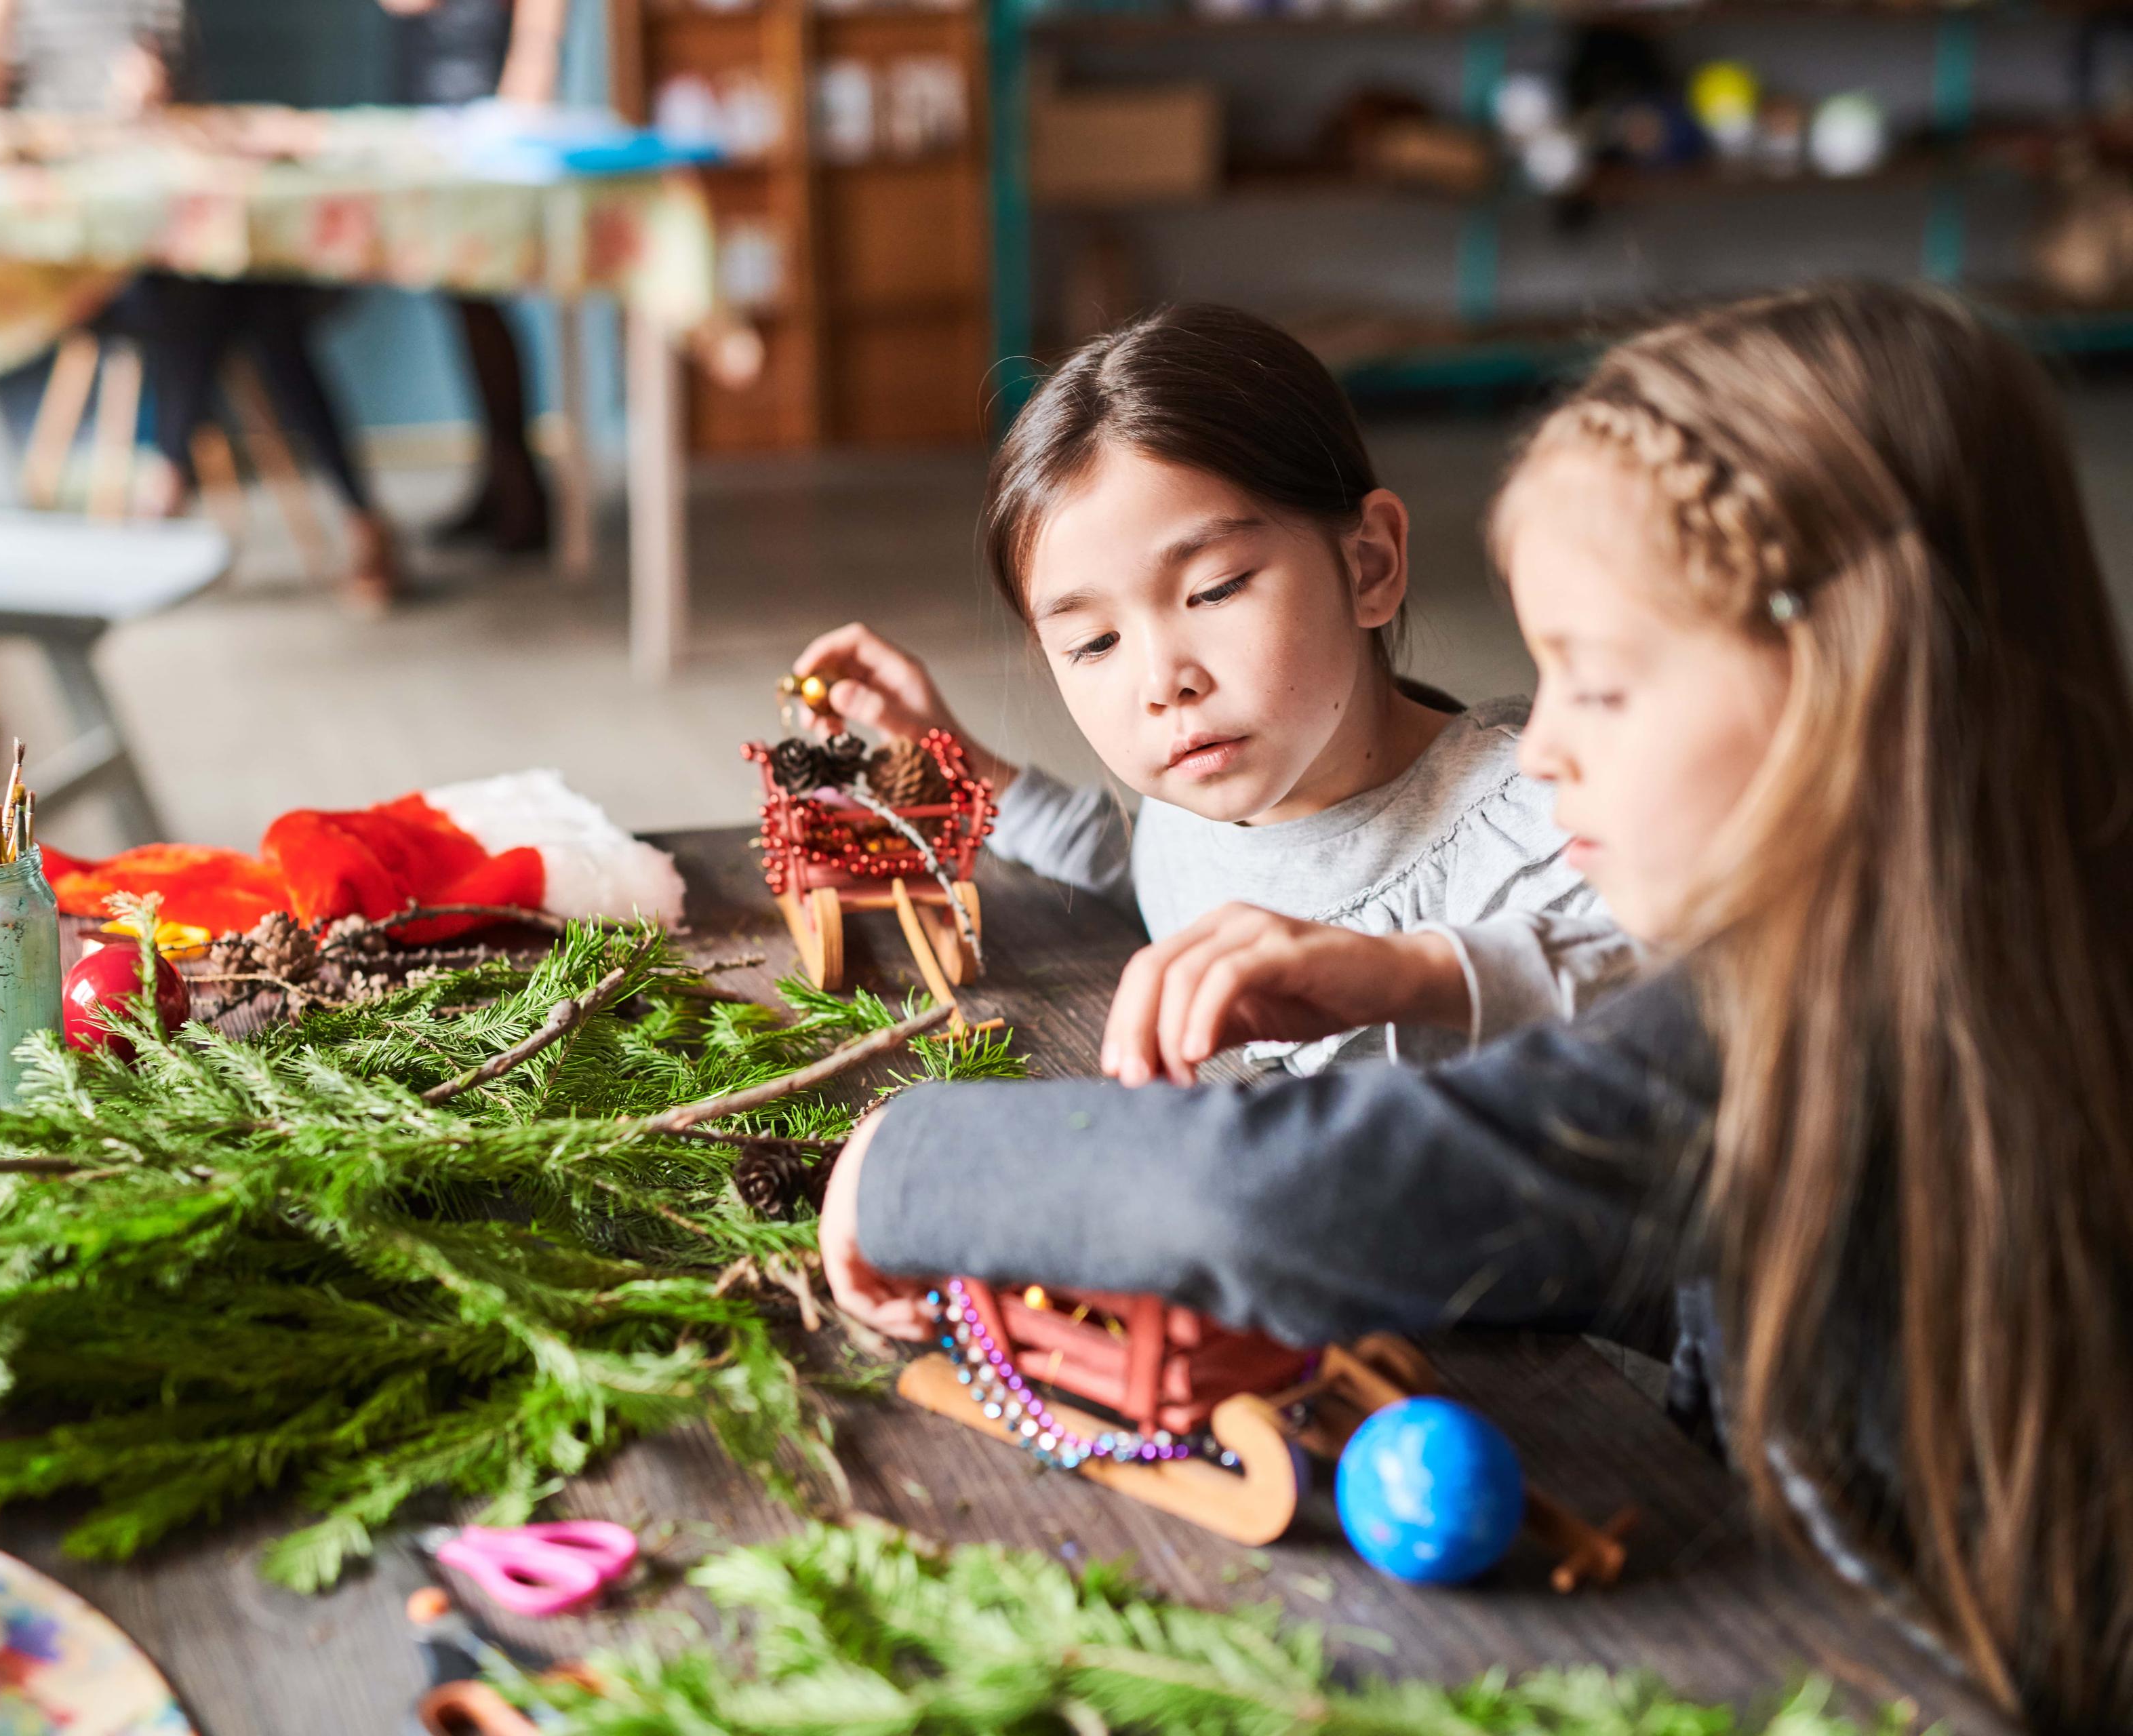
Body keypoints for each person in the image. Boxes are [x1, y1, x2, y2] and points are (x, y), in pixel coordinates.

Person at [820, 282, 2133, 1732]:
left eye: (1605, 685)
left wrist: (908, 1157)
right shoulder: (1999, 911)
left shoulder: (1811, 1009)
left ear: (1852, 683)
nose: (1542, 741)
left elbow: (1291, 1204)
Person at [797, 305, 1633, 1077]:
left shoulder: (1542, 823)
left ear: (1368, 563)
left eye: (1217, 589)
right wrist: (955, 758)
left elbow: (1697, 976)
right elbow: (1136, 863)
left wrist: (1415, 973)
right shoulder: (1193, 811)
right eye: (1094, 642)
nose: (1164, 681)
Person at [0, 0, 410, 600]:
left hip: (161, 239)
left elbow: (188, 116)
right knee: (238, 296)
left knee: (225, 282)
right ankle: (359, 514)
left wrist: (154, 100)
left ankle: (169, 482)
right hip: (70, 268)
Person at [377, 0, 569, 556]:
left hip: (491, 111)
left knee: (481, 297)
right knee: (461, 299)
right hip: (429, 108)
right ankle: (503, 477)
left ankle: (520, 487)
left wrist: (530, 76)